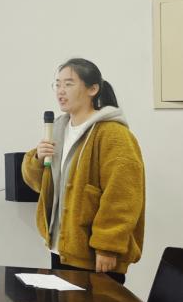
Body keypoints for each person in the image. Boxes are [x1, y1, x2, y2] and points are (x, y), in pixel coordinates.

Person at [21, 58, 145, 284]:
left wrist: (107, 246)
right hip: (61, 249)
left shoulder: (114, 134)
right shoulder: (57, 131)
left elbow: (122, 197)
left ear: (92, 89)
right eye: (57, 84)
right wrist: (37, 159)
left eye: (68, 84)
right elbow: (40, 185)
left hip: (96, 255)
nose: (60, 91)